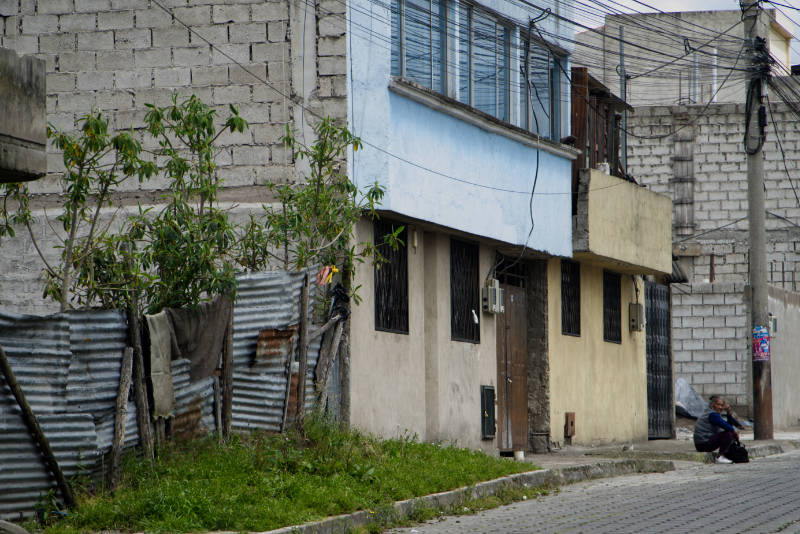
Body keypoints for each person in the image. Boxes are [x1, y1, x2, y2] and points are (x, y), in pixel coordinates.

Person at [693, 395, 740, 464]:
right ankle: (720, 457)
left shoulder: (714, 414)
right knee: (728, 434)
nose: (720, 407)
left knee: (729, 433)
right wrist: (734, 432)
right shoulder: (712, 415)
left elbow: (728, 425)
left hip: (703, 443)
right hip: (703, 443)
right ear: (712, 405)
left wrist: (728, 412)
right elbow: (726, 426)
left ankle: (725, 455)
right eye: (718, 405)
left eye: (722, 405)